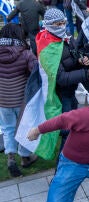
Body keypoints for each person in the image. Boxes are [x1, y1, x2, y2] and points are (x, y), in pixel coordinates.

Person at [38, 8, 89, 150]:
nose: (62, 26)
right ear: (49, 25)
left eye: (63, 22)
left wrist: (80, 60)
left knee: (73, 126)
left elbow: (72, 55)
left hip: (71, 91)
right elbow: (61, 78)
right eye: (58, 24)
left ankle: (75, 156)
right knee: (66, 129)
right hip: (60, 94)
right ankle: (63, 163)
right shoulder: (48, 47)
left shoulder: (64, 36)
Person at [0, 23, 38, 177]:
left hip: (2, 100)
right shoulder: (26, 53)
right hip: (21, 99)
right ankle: (25, 157)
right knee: (24, 128)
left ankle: (10, 158)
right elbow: (35, 70)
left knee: (8, 128)